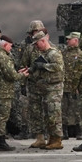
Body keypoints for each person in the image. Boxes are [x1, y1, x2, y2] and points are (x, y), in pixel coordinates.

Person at [0, 34, 28, 152]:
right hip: (4, 93)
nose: (11, 48)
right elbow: (12, 76)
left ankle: (0, 139)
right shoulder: (4, 57)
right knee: (3, 117)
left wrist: (16, 72)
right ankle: (1, 142)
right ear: (5, 45)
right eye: (10, 46)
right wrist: (22, 75)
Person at [27, 30, 66, 150]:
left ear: (43, 41)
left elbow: (58, 67)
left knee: (54, 114)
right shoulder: (45, 54)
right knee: (49, 115)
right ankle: (52, 139)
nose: (36, 46)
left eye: (37, 43)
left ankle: (57, 140)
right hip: (47, 89)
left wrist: (43, 66)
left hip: (54, 89)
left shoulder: (53, 54)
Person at [20, 20, 48, 148]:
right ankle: (40, 137)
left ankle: (52, 136)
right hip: (34, 84)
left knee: (50, 111)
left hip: (48, 84)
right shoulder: (29, 48)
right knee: (35, 111)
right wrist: (22, 83)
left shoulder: (50, 46)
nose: (38, 33)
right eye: (36, 31)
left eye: (40, 31)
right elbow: (23, 66)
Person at [61, 31, 82, 139]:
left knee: (77, 110)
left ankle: (79, 132)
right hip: (65, 86)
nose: (67, 41)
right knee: (63, 109)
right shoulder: (63, 53)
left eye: (70, 39)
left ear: (76, 40)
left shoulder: (81, 54)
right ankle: (64, 132)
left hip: (76, 87)